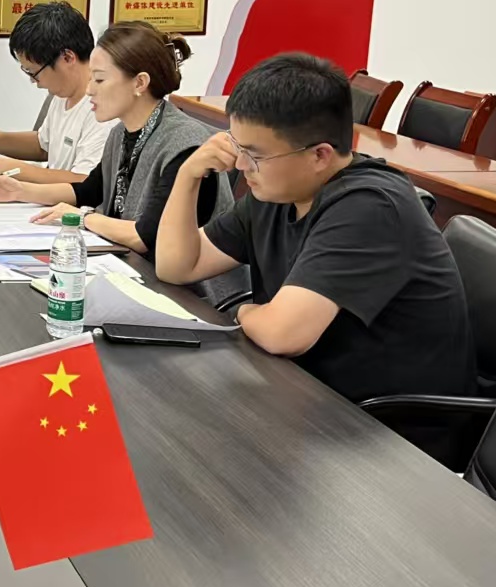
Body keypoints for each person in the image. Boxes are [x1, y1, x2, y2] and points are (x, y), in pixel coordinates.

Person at [155, 52, 475, 405]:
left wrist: (241, 312)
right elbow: (177, 267)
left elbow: (282, 335)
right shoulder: (278, 189)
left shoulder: (370, 206)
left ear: (320, 155)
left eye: (255, 155)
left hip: (385, 422)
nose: (241, 165)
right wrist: (188, 176)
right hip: (304, 389)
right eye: (237, 147)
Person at [0, 21, 231, 254]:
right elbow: (87, 191)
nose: (89, 90)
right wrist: (19, 191)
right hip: (136, 266)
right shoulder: (121, 133)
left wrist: (83, 218)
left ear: (140, 83)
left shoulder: (183, 145)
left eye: (100, 79)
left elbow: (145, 236)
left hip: (181, 280)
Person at [0, 1, 109, 181]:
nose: (34, 82)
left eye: (34, 73)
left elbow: (84, 181)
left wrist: (5, 167)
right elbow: (43, 146)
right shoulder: (63, 93)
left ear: (67, 57)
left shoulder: (103, 107)